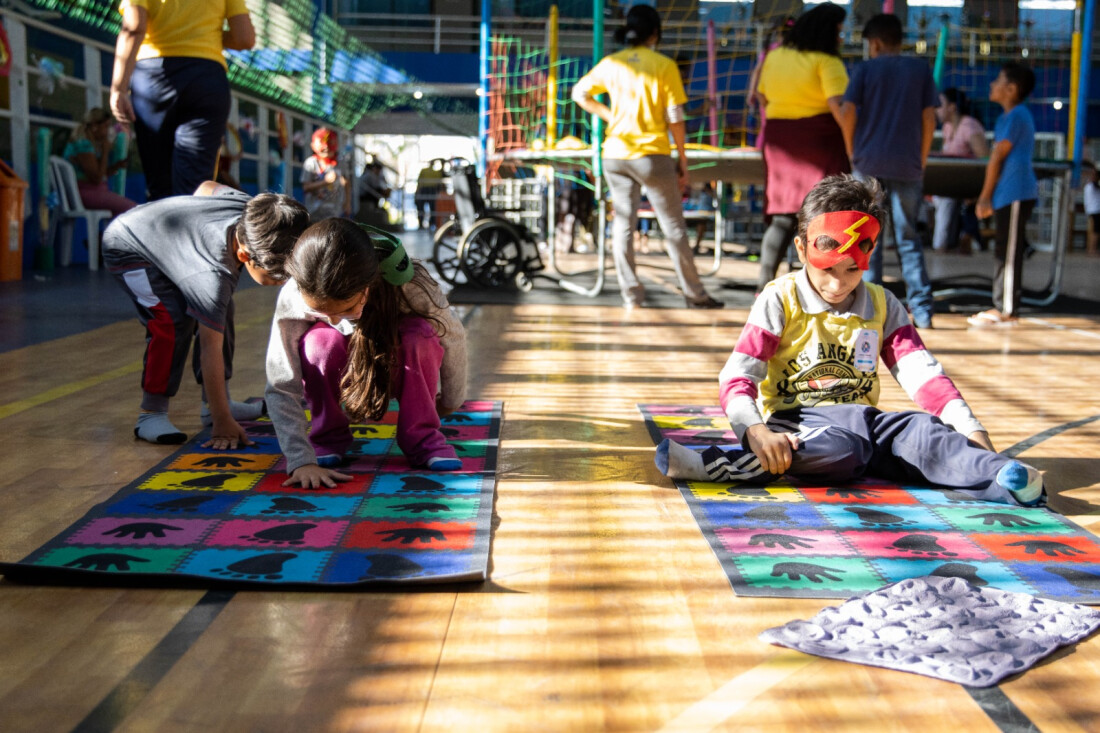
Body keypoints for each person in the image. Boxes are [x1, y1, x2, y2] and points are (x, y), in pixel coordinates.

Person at [655, 175, 1045, 507]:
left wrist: (973, 433)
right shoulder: (779, 298)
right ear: (801, 249)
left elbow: (923, 376)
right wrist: (756, 433)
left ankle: (1006, 480)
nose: (838, 283)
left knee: (929, 434)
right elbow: (737, 377)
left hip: (868, 421)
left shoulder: (882, 303)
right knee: (843, 453)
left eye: (852, 269)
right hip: (801, 423)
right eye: (827, 269)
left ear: (869, 257)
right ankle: (723, 463)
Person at [265, 219, 468, 490]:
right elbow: (280, 380)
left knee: (420, 334)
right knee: (318, 342)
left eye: (345, 309)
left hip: (392, 363)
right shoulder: (295, 293)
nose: (336, 320)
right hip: (344, 366)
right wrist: (301, 460)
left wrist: (452, 400)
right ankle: (327, 437)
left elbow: (453, 336)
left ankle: (422, 437)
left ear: (366, 288)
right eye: (323, 313)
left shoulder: (413, 285)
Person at [103, 183, 310, 448]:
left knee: (220, 309)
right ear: (244, 254)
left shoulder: (257, 214)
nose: (284, 282)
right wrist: (223, 421)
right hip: (128, 245)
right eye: (279, 276)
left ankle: (213, 403)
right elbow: (208, 350)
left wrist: (190, 230)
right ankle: (151, 413)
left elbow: (206, 187)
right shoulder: (211, 276)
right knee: (172, 320)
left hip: (164, 240)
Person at [571, 4, 723, 309]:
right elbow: (674, 116)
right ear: (656, 32)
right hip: (652, 155)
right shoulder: (664, 65)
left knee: (623, 225)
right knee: (673, 227)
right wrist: (682, 157)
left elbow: (579, 93)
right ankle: (694, 294)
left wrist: (609, 115)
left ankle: (632, 296)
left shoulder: (611, 63)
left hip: (615, 155)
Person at [838, 14, 938, 329]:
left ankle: (870, 308)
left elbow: (848, 112)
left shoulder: (865, 70)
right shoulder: (920, 69)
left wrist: (852, 151)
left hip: (868, 164)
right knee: (909, 237)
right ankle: (922, 310)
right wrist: (921, 159)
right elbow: (929, 119)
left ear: (875, 43)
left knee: (867, 238)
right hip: (908, 164)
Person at [109, 0, 255, 201]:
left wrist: (119, 88)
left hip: (153, 78)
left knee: (160, 184)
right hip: (206, 79)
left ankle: (162, 228)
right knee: (196, 187)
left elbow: (133, 28)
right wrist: (206, 33)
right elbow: (244, 38)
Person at [753, 2, 851, 295]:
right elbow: (840, 109)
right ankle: (816, 288)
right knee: (822, 217)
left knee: (783, 215)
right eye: (839, 31)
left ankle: (763, 287)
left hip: (779, 139)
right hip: (819, 140)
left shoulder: (774, 56)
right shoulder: (827, 62)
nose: (841, 38)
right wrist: (853, 148)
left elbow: (760, 96)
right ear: (827, 32)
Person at [969, 62, 1039, 328]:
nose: (991, 84)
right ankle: (1002, 305)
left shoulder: (1018, 115)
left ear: (1011, 89)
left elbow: (997, 158)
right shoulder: (1006, 118)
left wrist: (984, 197)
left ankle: (1007, 308)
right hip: (1008, 194)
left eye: (997, 80)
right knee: (1002, 250)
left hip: (1017, 192)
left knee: (1009, 252)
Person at [930, 88, 989, 253]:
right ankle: (940, 239)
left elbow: (984, 158)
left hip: (968, 184)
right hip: (952, 182)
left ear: (952, 107)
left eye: (940, 105)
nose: (936, 109)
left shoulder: (969, 126)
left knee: (944, 200)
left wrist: (978, 192)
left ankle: (942, 244)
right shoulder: (948, 127)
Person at [62, 107, 137, 217]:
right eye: (106, 126)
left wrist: (116, 166)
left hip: (90, 191)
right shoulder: (83, 145)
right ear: (94, 127)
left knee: (122, 211)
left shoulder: (88, 144)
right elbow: (97, 178)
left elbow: (99, 173)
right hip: (85, 193)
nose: (108, 131)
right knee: (133, 210)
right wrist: (105, 151)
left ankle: (106, 234)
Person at [746, 16, 794, 150]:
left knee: (768, 127)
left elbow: (757, 71)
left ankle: (763, 153)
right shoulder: (795, 52)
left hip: (769, 96)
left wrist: (751, 93)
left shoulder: (770, 50)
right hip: (782, 96)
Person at [301, 128, 351, 220]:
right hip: (314, 211)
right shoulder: (311, 163)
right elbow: (306, 187)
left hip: (334, 210)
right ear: (313, 146)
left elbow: (346, 182)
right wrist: (325, 182)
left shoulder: (340, 163)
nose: (326, 147)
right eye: (321, 144)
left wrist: (347, 202)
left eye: (330, 143)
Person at [356, 160, 391, 227]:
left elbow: (381, 184)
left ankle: (377, 206)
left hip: (365, 194)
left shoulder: (371, 174)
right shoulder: (370, 175)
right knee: (377, 192)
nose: (378, 172)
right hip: (363, 196)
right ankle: (376, 206)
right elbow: (377, 186)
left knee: (379, 192)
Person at [1082, 161, 1098, 256]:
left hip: (1092, 209)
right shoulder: (1092, 185)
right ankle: (1092, 249)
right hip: (1095, 210)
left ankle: (1091, 248)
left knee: (1094, 230)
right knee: (1095, 230)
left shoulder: (1090, 185)